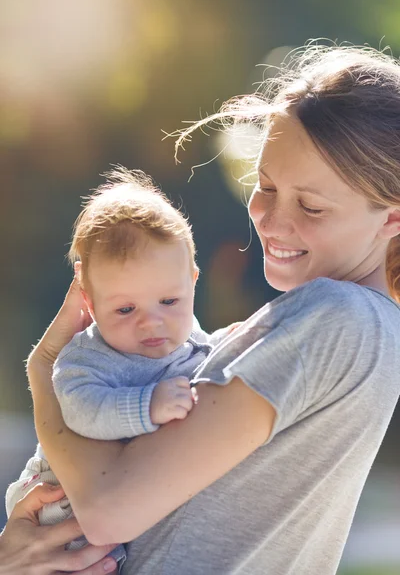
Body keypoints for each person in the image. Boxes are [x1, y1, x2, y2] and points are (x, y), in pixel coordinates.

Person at [4, 42, 400, 574]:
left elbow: (106, 509)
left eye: (310, 206)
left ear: (392, 220)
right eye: (265, 186)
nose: (271, 220)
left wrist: (47, 377)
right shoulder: (354, 326)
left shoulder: (340, 315)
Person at [5, 169, 228, 572]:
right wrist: (147, 404)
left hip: (122, 496)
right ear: (89, 303)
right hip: (58, 497)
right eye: (125, 309)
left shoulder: (194, 340)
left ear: (193, 282)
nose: (151, 323)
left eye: (169, 301)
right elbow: (79, 412)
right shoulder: (86, 358)